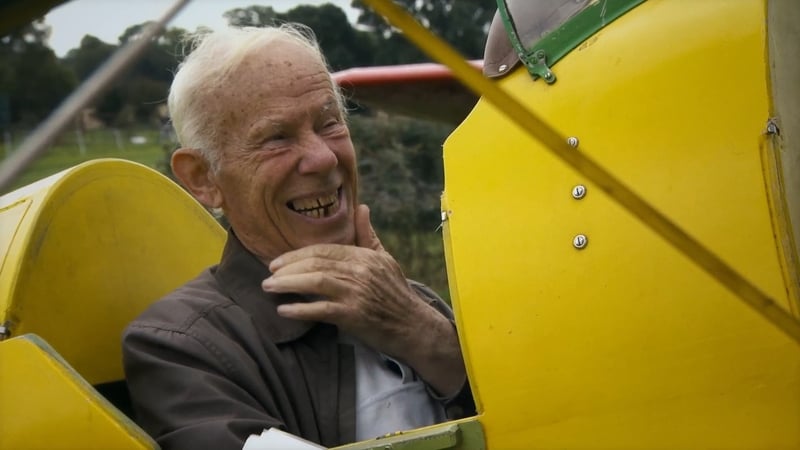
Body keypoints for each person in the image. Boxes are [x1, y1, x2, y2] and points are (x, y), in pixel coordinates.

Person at [122, 23, 474, 450]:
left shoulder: (412, 304)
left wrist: (421, 332)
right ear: (203, 179)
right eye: (276, 138)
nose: (324, 158)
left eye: (329, 123)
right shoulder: (181, 346)